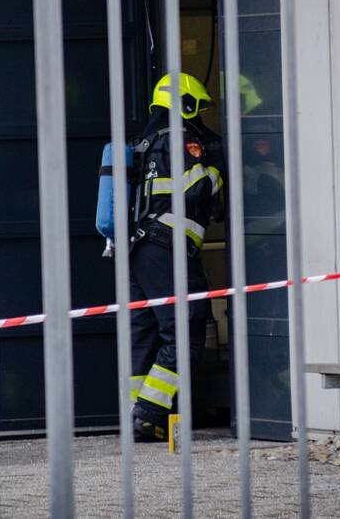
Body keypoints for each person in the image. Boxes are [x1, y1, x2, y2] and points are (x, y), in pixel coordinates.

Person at [128, 72, 225, 442]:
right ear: (183, 104)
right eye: (196, 108)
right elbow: (196, 188)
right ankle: (149, 414)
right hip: (167, 248)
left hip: (139, 251)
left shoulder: (144, 142)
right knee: (186, 330)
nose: (198, 117)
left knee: (145, 335)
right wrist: (217, 170)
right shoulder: (180, 137)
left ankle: (137, 414)